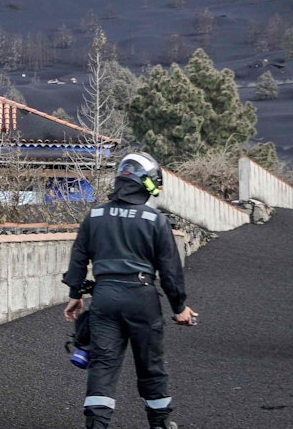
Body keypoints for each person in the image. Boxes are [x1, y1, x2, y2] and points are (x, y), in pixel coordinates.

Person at [63, 152, 197, 429]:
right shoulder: (154, 219)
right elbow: (170, 269)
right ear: (147, 183)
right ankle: (160, 423)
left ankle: (97, 425)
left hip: (104, 297)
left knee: (103, 363)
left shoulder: (95, 214)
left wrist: (75, 294)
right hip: (141, 297)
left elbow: (78, 258)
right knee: (150, 363)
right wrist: (179, 307)